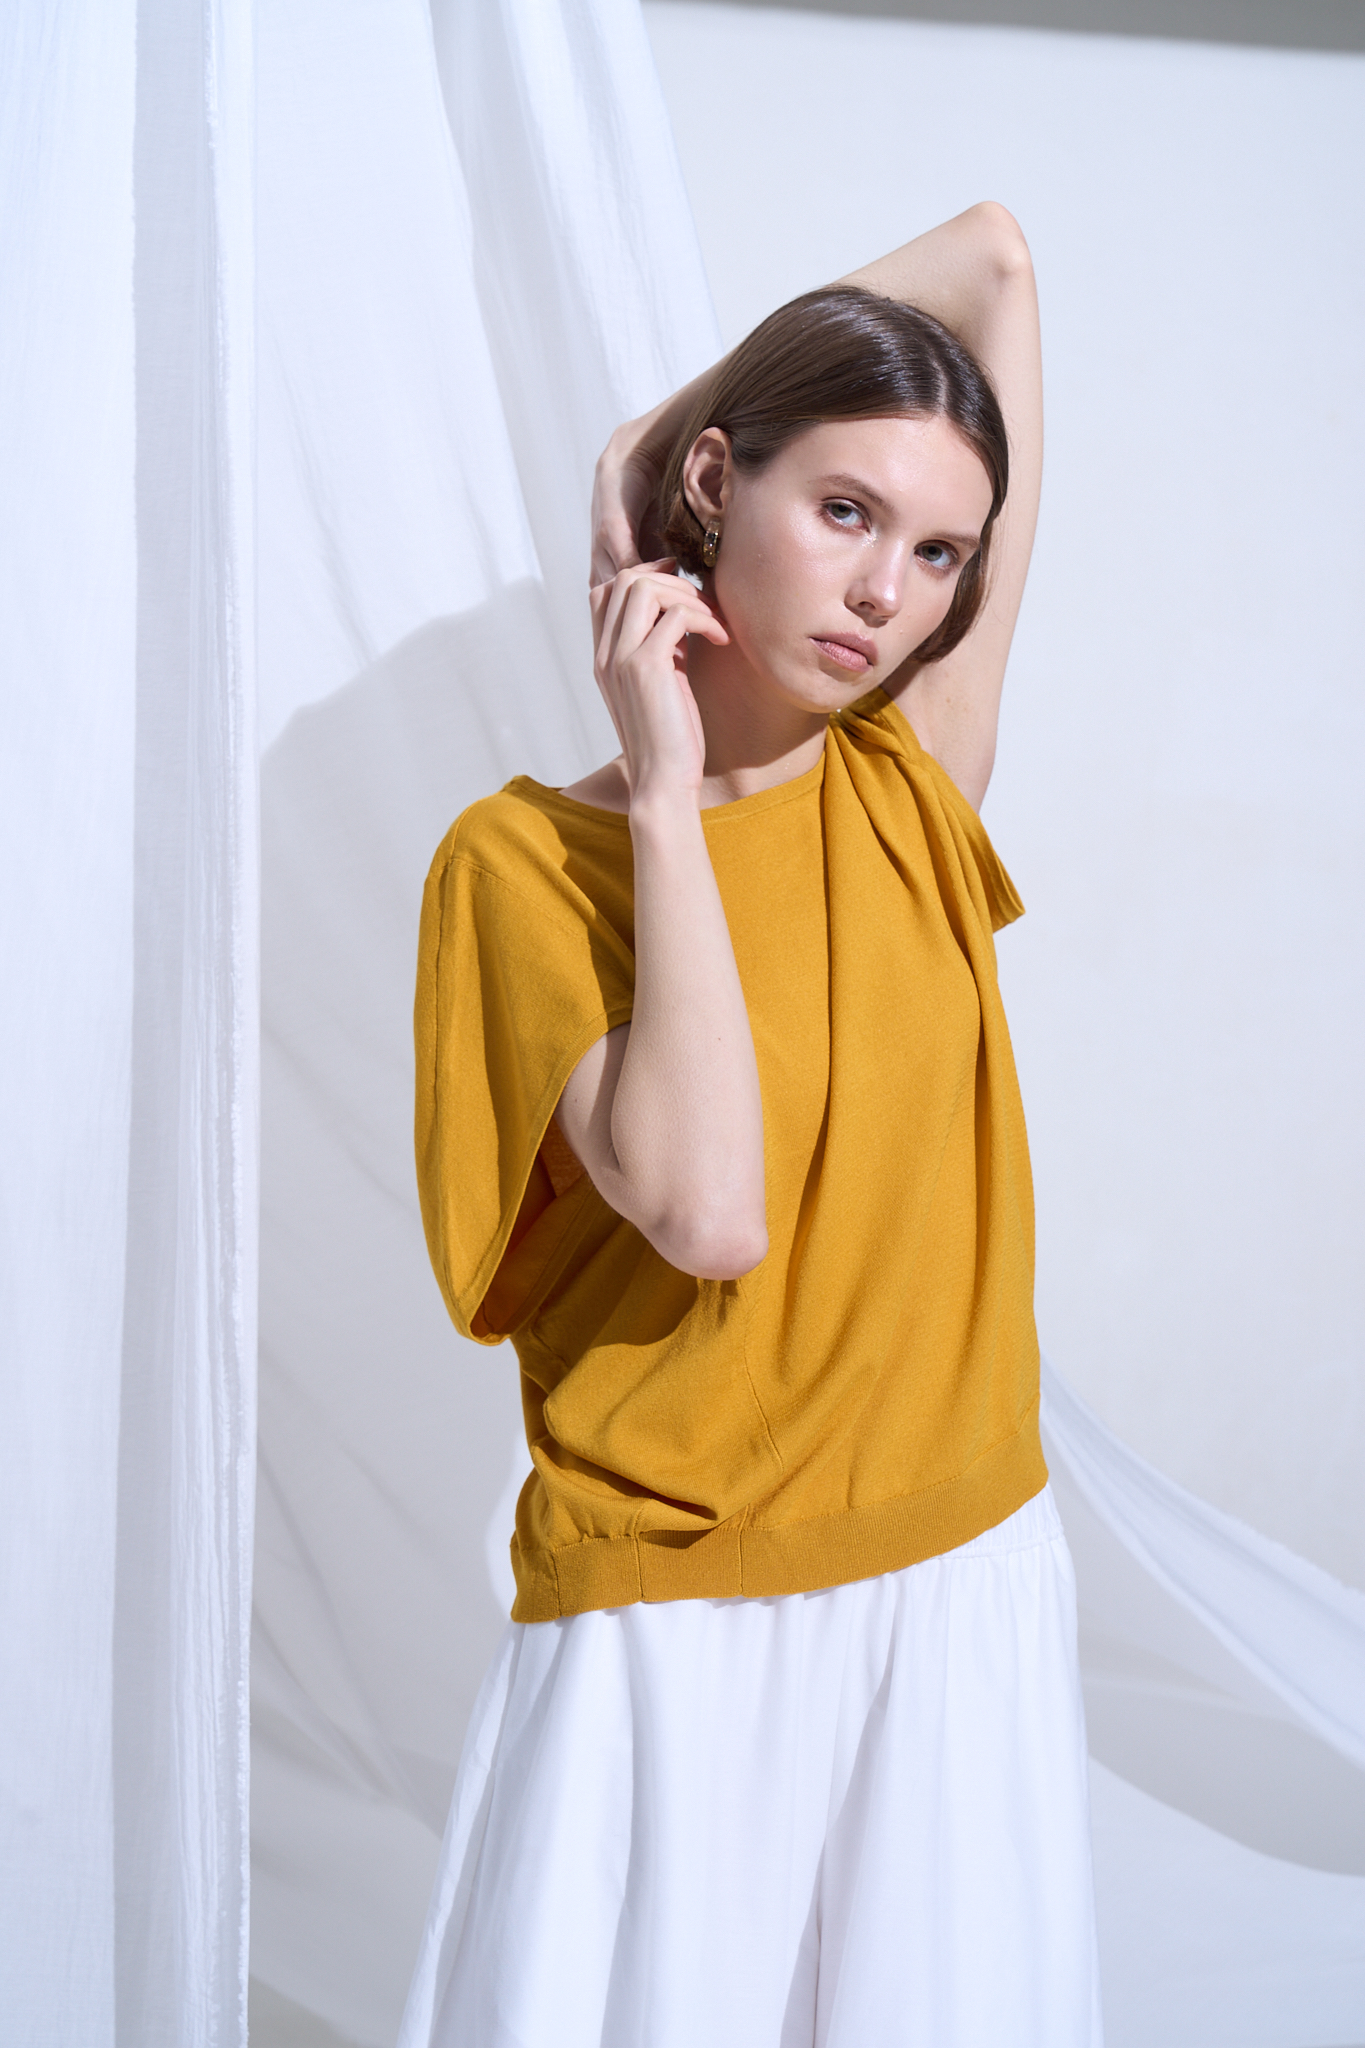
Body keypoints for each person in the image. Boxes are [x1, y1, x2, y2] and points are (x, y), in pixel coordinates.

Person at [400, 203, 1102, 2047]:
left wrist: (636, 446)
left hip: (954, 1579)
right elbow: (709, 1208)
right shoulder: (520, 868)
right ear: (726, 489)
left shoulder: (913, 774)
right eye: (843, 511)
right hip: (676, 1630)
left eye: (938, 552)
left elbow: (995, 262)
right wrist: (661, 789)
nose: (888, 595)